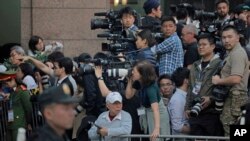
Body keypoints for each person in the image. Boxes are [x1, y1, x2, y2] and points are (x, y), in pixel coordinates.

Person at [212, 25, 249, 136]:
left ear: (237, 38)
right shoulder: (232, 53)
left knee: (232, 130)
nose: (226, 40)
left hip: (236, 98)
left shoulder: (237, 54)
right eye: (223, 37)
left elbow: (236, 79)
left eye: (229, 37)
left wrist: (218, 81)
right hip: (232, 96)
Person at [185, 33, 224, 137]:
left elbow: (224, 88)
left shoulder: (220, 64)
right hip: (195, 111)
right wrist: (187, 107)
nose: (200, 47)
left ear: (212, 46)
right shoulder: (195, 65)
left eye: (204, 44)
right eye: (199, 44)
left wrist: (211, 99)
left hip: (211, 112)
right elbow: (190, 88)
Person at [124, 60, 170, 141]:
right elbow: (128, 96)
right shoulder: (139, 82)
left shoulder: (150, 88)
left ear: (141, 74)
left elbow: (155, 110)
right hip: (147, 111)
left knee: (156, 137)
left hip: (157, 114)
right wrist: (130, 81)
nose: (132, 73)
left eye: (134, 71)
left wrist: (156, 129)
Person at [0, 70, 32, 141]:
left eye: (8, 81)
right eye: (5, 82)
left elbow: (28, 109)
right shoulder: (13, 92)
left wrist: (29, 122)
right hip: (11, 124)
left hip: (19, 124)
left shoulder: (23, 92)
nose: (6, 84)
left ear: (14, 79)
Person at [169, 67, 190, 136]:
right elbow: (177, 127)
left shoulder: (184, 96)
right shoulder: (177, 99)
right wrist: (196, 129)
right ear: (186, 80)